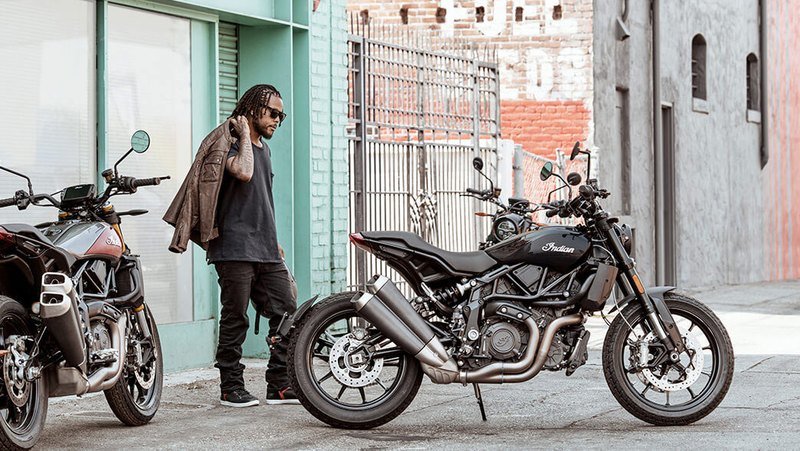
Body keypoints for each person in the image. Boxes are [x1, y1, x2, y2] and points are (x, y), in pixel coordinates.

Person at [208, 84, 299, 407]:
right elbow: (243, 173)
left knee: (287, 311)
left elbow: (261, 199)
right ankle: (230, 387)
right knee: (236, 317)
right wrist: (245, 134)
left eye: (281, 116)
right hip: (234, 247)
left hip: (265, 247)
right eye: (273, 113)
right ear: (252, 109)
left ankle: (279, 383)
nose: (277, 120)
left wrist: (274, 240)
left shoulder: (266, 150)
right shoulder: (227, 143)